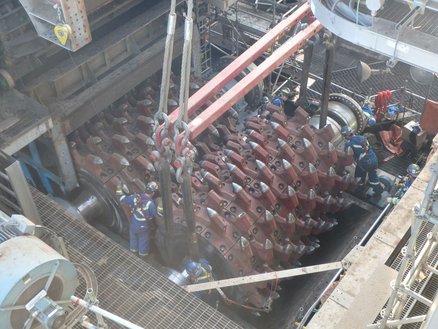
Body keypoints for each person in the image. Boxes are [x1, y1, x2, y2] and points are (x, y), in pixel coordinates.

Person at [116, 181, 159, 258]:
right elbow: (154, 215)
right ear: (153, 193)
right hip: (143, 227)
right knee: (143, 241)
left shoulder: (135, 197)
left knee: (133, 239)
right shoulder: (151, 204)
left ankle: (133, 254)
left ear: (145, 189)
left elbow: (121, 198)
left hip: (133, 224)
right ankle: (143, 257)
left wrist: (119, 188)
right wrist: (160, 209)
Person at [341, 126, 383, 199]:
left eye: (345, 136)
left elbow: (347, 156)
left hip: (365, 163)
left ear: (346, 136)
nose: (345, 138)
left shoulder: (349, 144)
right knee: (373, 176)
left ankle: (360, 191)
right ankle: (378, 192)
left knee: (359, 176)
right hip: (373, 158)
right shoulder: (361, 137)